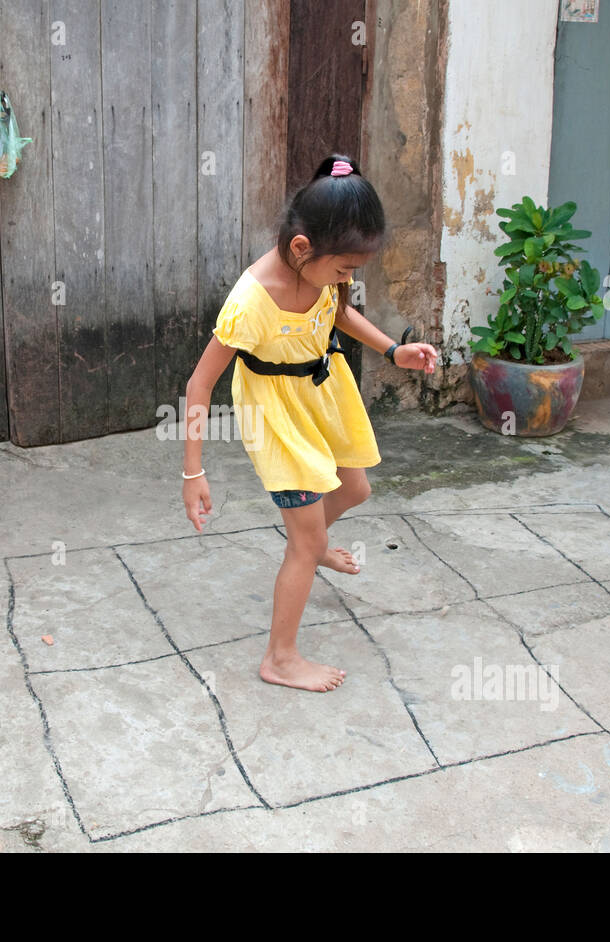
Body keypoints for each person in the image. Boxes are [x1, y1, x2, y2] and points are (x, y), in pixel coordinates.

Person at [181, 155, 438, 692]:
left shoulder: (319, 271)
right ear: (302, 249)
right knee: (304, 540)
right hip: (274, 413)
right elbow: (199, 384)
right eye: (344, 268)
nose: (347, 279)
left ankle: (314, 541)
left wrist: (394, 351)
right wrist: (193, 472)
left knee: (355, 487)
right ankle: (280, 657)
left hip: (320, 390)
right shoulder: (252, 300)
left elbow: (337, 311)